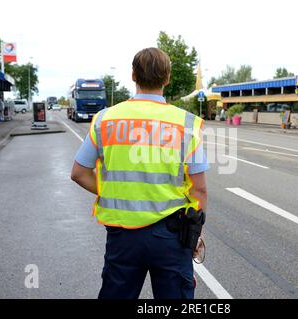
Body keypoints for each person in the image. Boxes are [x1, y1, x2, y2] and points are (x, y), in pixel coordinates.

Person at [71, 47, 209, 299]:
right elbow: (198, 189)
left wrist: (111, 189)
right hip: (172, 236)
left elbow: (79, 172)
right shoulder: (186, 124)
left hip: (122, 237)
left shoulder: (105, 119)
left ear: (133, 75)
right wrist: (195, 234)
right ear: (167, 78)